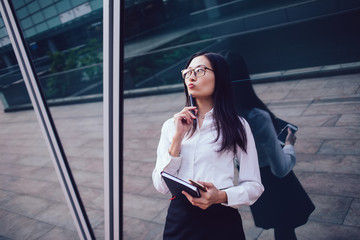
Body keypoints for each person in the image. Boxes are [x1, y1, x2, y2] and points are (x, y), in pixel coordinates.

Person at [152, 52, 264, 240]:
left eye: (200, 70)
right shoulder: (172, 126)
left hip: (221, 221)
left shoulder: (237, 125)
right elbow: (161, 185)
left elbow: (254, 186)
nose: (191, 76)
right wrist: (177, 138)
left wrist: (220, 196)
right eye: (187, 72)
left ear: (219, 77)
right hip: (179, 220)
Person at [224, 51, 315, 240]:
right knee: (285, 229)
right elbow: (280, 169)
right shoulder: (256, 116)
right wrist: (289, 145)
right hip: (274, 183)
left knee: (279, 225)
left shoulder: (222, 114)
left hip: (251, 178)